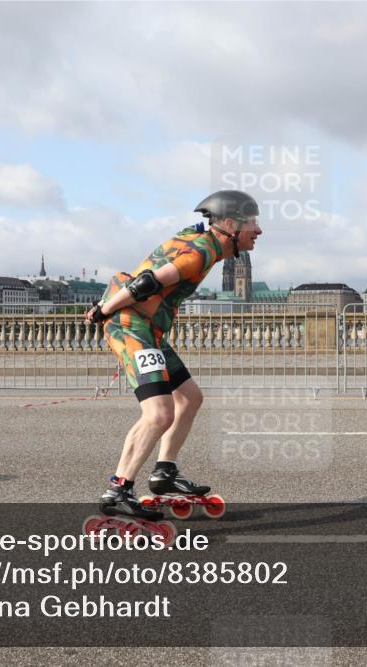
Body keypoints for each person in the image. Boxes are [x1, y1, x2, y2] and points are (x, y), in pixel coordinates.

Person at [85, 190, 262, 519]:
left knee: (190, 397)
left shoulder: (205, 242)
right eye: (252, 223)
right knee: (159, 414)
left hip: (147, 328)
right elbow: (146, 283)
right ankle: (118, 489)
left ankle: (164, 472)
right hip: (131, 326)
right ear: (229, 225)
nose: (258, 230)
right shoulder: (201, 252)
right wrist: (102, 309)